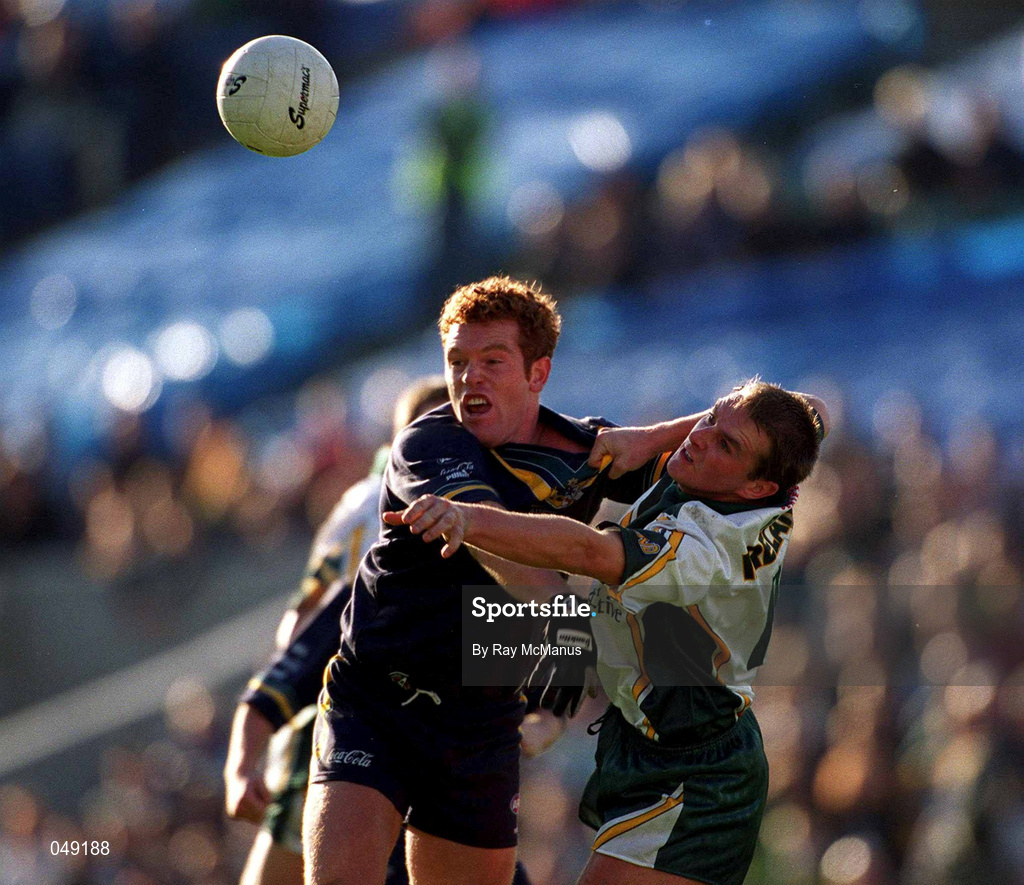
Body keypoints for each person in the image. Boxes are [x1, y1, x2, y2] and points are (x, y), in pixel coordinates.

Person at [303, 276, 713, 885]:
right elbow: (522, 571)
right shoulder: (429, 441)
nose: (471, 379)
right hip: (377, 701)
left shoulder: (577, 452)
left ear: (538, 374)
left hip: (478, 721)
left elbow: (699, 457)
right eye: (458, 362)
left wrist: (735, 414)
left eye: (493, 362)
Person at [386, 378, 824, 885]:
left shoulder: (707, 550)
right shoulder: (738, 479)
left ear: (756, 487)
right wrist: (653, 436)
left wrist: (466, 518)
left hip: (697, 776)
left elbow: (587, 553)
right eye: (711, 417)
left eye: (727, 444)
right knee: (444, 649)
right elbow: (810, 409)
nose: (701, 436)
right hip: (649, 733)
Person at [223, 378, 451, 885]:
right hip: (347, 734)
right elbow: (304, 636)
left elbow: (547, 640)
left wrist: (547, 710)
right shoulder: (376, 514)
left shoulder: (496, 514)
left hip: (450, 758)